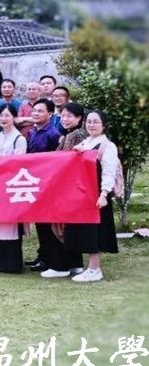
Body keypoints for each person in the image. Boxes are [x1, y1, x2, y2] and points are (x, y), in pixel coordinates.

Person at [35, 102, 90, 278]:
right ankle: (74, 264)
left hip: (66, 187)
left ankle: (60, 265)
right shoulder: (72, 134)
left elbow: (66, 162)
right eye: (63, 116)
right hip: (71, 187)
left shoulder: (76, 135)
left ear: (79, 118)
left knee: (58, 225)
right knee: (69, 226)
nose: (65, 119)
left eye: (70, 116)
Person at [68, 110, 119, 282]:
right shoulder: (85, 142)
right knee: (85, 231)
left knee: (95, 231)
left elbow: (109, 172)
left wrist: (104, 194)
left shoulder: (107, 146)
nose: (91, 125)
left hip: (97, 195)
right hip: (83, 195)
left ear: (104, 125)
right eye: (89, 121)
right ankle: (89, 268)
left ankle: (95, 269)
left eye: (96, 122)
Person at [0, 104, 28, 273]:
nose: (3, 119)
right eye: (1, 115)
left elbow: (19, 163)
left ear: (14, 117)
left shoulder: (19, 139)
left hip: (12, 185)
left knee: (11, 224)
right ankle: (0, 261)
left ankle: (12, 263)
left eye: (7, 115)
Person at [25, 99, 62, 273]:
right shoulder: (33, 131)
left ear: (50, 114)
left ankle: (49, 258)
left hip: (48, 184)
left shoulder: (53, 134)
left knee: (47, 223)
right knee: (39, 222)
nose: (36, 113)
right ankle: (42, 255)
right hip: (35, 182)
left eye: (40, 111)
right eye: (34, 110)